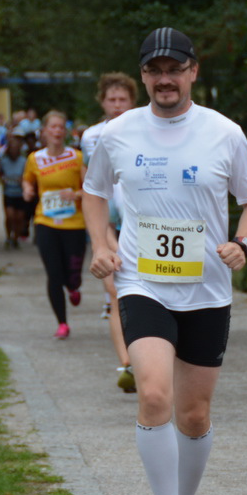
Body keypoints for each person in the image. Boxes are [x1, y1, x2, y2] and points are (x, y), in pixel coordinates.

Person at [82, 28, 247, 495]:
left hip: (208, 290)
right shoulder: (117, 133)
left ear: (193, 71)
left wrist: (243, 241)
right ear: (143, 75)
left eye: (175, 68)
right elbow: (93, 192)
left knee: (193, 414)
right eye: (154, 69)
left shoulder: (223, 132)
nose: (165, 78)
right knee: (155, 395)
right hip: (143, 283)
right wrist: (102, 244)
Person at [84, 72, 141, 392]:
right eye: (112, 100)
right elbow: (91, 188)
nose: (117, 105)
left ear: (132, 102)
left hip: (142, 223)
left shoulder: (149, 131)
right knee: (116, 293)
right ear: (102, 103)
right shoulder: (92, 137)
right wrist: (105, 242)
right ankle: (128, 363)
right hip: (108, 223)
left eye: (123, 100)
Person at [22, 110, 87, 339]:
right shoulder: (35, 159)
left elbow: (89, 188)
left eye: (61, 127)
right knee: (54, 274)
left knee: (73, 275)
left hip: (74, 223)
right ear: (45, 131)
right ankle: (62, 323)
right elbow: (28, 180)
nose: (57, 131)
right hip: (45, 221)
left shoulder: (77, 157)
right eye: (53, 127)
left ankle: (74, 287)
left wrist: (76, 195)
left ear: (66, 132)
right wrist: (27, 190)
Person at [0, 132, 30, 250]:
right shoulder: (4, 161)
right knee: (10, 216)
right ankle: (8, 236)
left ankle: (16, 238)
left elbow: (28, 175)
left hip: (20, 192)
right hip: (9, 192)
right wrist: (3, 179)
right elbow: (0, 172)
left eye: (16, 149)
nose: (13, 151)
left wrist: (23, 180)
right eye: (11, 149)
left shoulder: (24, 161)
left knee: (19, 218)